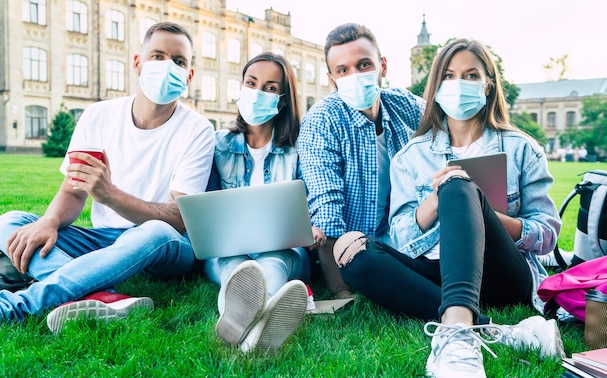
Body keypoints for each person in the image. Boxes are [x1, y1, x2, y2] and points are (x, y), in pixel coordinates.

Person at [332, 38, 564, 377]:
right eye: (450, 76)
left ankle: (456, 336)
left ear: (488, 84)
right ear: (435, 87)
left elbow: (547, 235)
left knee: (459, 183)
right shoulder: (411, 157)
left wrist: (481, 209)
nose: (459, 85)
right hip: (438, 269)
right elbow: (400, 235)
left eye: (471, 75)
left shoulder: (521, 149)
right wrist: (436, 201)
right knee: (349, 249)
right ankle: (497, 331)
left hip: (502, 274)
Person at [0, 22, 215, 333]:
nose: (167, 66)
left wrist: (109, 195)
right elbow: (73, 192)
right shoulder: (99, 115)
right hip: (104, 241)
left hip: (167, 246)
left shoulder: (197, 129)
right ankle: (100, 297)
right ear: (138, 63)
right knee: (10, 222)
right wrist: (48, 220)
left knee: (153, 230)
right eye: (157, 56)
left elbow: (180, 218)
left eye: (178, 61)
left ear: (189, 75)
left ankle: (19, 305)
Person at [203, 52, 325, 353]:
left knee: (272, 260)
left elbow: (315, 204)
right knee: (234, 264)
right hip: (228, 251)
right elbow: (204, 208)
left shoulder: (301, 147)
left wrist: (315, 227)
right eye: (251, 83)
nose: (257, 93)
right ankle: (257, 330)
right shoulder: (217, 144)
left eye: (270, 87)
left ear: (282, 99)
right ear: (241, 86)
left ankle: (242, 324)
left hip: (285, 251)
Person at [296, 23, 425, 299]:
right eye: (343, 70)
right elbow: (326, 208)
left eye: (364, 64)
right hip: (355, 248)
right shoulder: (321, 121)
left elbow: (451, 126)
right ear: (332, 80)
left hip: (402, 235)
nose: (355, 75)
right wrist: (342, 292)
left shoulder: (403, 104)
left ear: (383, 67)